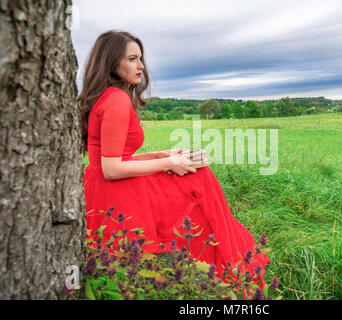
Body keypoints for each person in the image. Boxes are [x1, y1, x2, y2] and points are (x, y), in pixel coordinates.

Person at [77, 30, 268, 287]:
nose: (141, 66)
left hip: (103, 186)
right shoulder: (118, 100)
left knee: (194, 173)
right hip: (114, 191)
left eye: (141, 59)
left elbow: (114, 157)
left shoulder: (107, 97)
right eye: (133, 59)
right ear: (112, 63)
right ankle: (227, 260)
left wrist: (164, 154)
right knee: (199, 177)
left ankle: (217, 256)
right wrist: (170, 163)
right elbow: (111, 168)